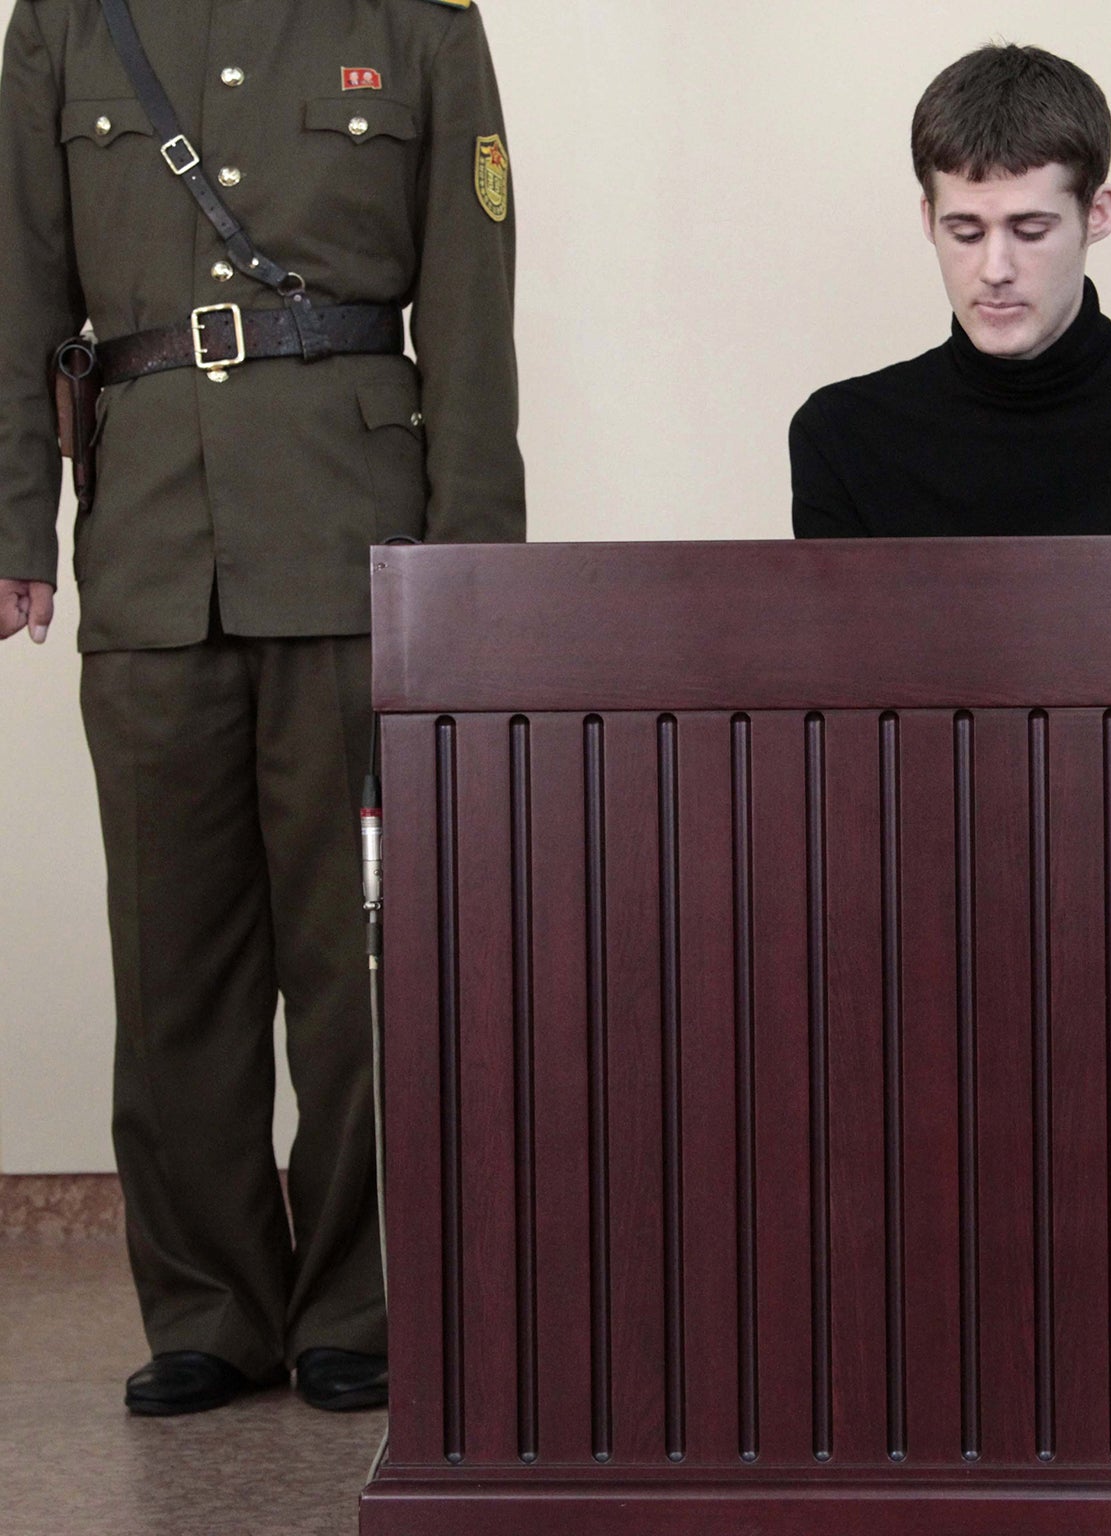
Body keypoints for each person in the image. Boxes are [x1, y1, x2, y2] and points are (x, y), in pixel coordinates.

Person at [0, 0, 524, 1415]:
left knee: (355, 962)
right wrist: (13, 529)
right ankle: (209, 1310)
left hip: (354, 544)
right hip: (154, 544)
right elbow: (19, 285)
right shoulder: (62, 24)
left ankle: (355, 1301)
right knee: (171, 963)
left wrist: (473, 571)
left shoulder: (416, 23)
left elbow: (470, 304)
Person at [790, 42, 1111, 538]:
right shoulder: (840, 435)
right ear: (928, 220)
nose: (995, 270)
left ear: (1098, 214)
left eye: (1031, 231)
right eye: (966, 233)